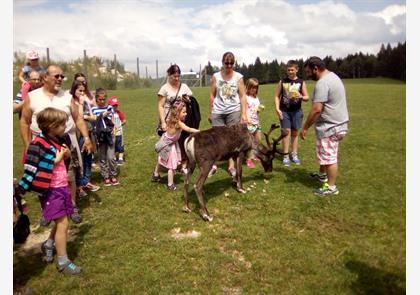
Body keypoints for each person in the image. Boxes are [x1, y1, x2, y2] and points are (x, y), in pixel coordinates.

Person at [19, 64, 93, 224]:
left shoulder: (66, 97)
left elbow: (78, 118)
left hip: (64, 142)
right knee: (42, 177)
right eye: (56, 76)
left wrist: (86, 138)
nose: (60, 79)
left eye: (62, 76)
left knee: (69, 176)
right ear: (45, 77)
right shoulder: (33, 96)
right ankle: (46, 211)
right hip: (40, 144)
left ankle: (71, 206)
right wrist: (27, 145)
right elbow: (24, 122)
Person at [15, 108, 82, 275]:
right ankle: (63, 261)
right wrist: (56, 159)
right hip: (50, 190)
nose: (65, 126)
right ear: (50, 126)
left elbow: (61, 162)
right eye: (61, 124)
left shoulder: (56, 139)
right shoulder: (38, 143)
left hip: (61, 186)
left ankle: (49, 243)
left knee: (62, 221)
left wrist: (65, 156)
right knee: (63, 224)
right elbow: (33, 167)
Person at [300, 56, 349, 196]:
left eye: (309, 72)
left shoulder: (322, 83)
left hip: (330, 127)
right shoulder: (333, 76)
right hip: (339, 124)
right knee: (325, 153)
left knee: (329, 158)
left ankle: (331, 187)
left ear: (316, 68)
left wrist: (305, 127)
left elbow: (316, 109)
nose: (308, 75)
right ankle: (322, 175)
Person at [208, 51, 248, 177]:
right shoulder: (216, 76)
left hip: (233, 112)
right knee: (217, 140)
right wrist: (210, 112)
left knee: (232, 141)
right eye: (226, 63)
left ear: (233, 63)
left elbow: (242, 96)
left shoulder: (238, 77)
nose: (229, 65)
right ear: (222, 62)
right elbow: (212, 95)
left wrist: (244, 113)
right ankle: (212, 164)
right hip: (218, 112)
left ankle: (231, 166)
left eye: (231, 63)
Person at [153, 101, 199, 190]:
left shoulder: (171, 120)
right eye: (184, 112)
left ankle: (155, 175)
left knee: (161, 160)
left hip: (165, 142)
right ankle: (170, 184)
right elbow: (188, 129)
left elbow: (167, 125)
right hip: (168, 146)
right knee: (171, 166)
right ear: (177, 113)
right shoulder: (179, 123)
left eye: (186, 112)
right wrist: (198, 131)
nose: (186, 114)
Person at [157, 64, 195, 173]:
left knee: (182, 141)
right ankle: (167, 164)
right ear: (169, 75)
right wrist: (163, 122)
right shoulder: (164, 88)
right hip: (169, 121)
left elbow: (191, 99)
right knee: (170, 143)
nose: (177, 78)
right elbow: (160, 106)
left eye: (178, 76)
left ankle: (183, 164)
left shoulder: (184, 87)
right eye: (174, 76)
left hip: (182, 120)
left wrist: (187, 99)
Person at [274, 60, 309, 166]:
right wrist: (277, 108)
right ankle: (285, 155)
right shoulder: (282, 82)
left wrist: (301, 96)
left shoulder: (301, 82)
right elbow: (276, 96)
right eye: (288, 70)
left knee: (294, 133)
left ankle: (294, 154)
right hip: (284, 111)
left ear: (297, 70)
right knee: (286, 133)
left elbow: (307, 97)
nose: (290, 72)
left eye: (292, 70)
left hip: (297, 112)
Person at [69, 80, 100, 197]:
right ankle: (78, 186)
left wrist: (88, 116)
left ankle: (86, 181)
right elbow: (79, 117)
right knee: (79, 161)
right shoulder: (72, 103)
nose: (82, 93)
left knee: (88, 159)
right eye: (79, 91)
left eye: (83, 91)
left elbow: (93, 117)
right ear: (74, 90)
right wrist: (81, 105)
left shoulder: (86, 103)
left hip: (89, 133)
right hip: (78, 136)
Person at [91, 88, 119, 186]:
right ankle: (105, 176)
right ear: (96, 99)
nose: (102, 101)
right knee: (102, 157)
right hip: (101, 136)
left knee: (111, 157)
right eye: (100, 99)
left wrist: (114, 130)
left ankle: (113, 175)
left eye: (104, 99)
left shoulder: (109, 108)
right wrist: (101, 116)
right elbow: (94, 121)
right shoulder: (93, 109)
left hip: (109, 135)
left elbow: (112, 120)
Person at [245, 78, 263, 168]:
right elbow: (244, 110)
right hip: (249, 123)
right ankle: (248, 159)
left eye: (255, 88)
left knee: (258, 141)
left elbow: (256, 109)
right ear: (248, 87)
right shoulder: (245, 97)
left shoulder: (256, 97)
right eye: (252, 87)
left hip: (256, 121)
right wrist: (248, 119)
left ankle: (254, 155)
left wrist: (259, 109)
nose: (253, 89)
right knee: (250, 143)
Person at [108, 96, 126, 165]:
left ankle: (120, 159)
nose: (115, 107)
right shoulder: (108, 113)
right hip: (111, 133)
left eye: (116, 105)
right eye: (113, 106)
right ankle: (114, 158)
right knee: (113, 146)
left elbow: (124, 121)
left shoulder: (119, 113)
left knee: (120, 146)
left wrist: (119, 125)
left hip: (119, 133)